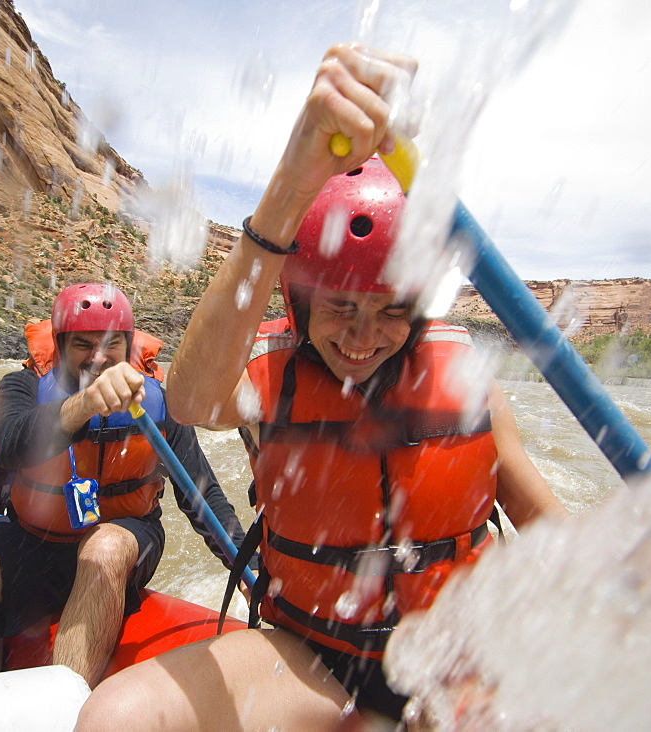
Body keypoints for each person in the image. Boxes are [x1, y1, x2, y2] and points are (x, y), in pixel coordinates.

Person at [75, 43, 574, 728]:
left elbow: (548, 527)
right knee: (119, 715)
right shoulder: (267, 379)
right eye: (341, 306)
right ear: (301, 302)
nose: (363, 337)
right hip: (310, 654)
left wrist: (650, 575)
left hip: (452, 656)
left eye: (390, 310)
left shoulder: (468, 385)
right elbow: (189, 402)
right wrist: (294, 179)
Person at [0, 283, 250, 686]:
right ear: (59, 345)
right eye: (82, 345)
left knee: (103, 547)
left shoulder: (161, 402)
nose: (98, 357)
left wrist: (246, 569)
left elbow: (201, 495)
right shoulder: (21, 388)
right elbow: (7, 446)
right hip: (31, 538)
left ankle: (62, 709)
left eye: (111, 344)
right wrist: (84, 404)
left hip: (125, 538)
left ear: (128, 343)